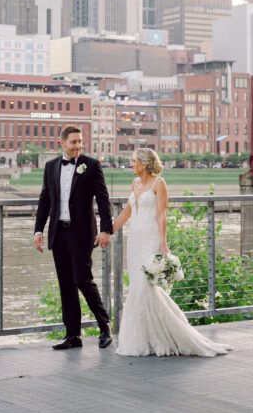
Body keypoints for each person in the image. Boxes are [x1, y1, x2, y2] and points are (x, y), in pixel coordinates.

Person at [110, 148, 233, 358]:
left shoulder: (159, 183)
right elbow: (128, 212)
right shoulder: (135, 184)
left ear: (144, 164)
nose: (131, 164)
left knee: (145, 287)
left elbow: (160, 214)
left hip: (150, 239)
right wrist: (108, 231)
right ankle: (143, 339)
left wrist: (163, 243)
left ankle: (169, 335)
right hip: (135, 240)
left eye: (134, 161)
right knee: (138, 288)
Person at [34, 125, 113, 350]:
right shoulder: (50, 167)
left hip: (81, 234)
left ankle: (104, 326)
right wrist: (38, 230)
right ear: (63, 143)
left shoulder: (92, 165)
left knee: (82, 279)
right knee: (66, 285)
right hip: (58, 234)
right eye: (74, 142)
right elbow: (45, 200)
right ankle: (73, 336)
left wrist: (107, 229)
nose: (78, 146)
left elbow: (103, 199)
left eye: (80, 142)